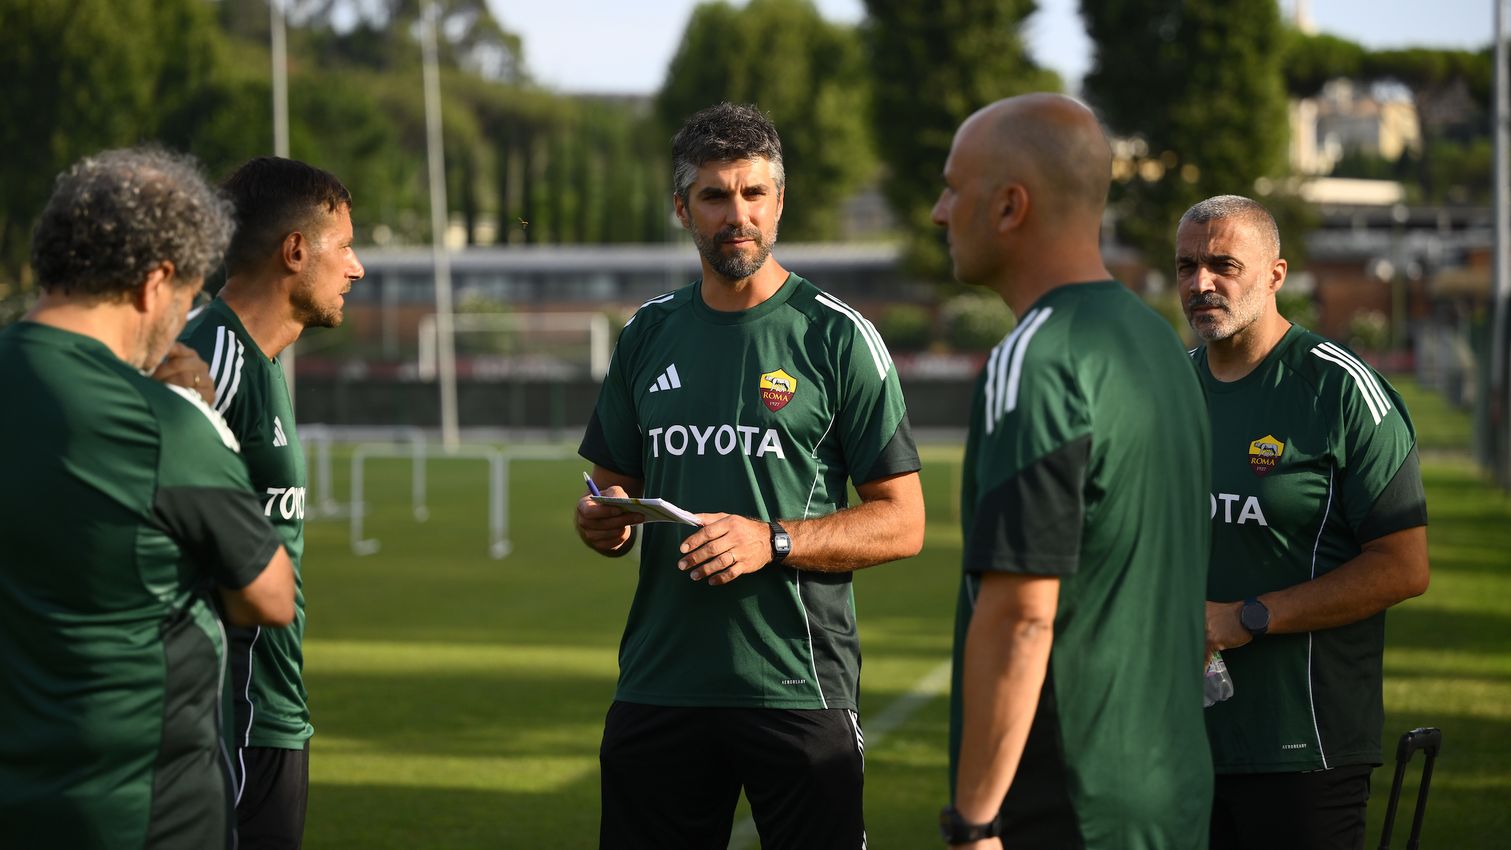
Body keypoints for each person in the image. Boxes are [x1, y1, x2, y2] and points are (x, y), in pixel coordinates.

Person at [574, 102, 925, 850]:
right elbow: (610, 495)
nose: (737, 215)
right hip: (659, 682)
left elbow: (903, 520)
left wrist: (772, 540)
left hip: (798, 685)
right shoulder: (646, 334)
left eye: (753, 193)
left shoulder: (837, 336)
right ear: (682, 208)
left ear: (779, 201)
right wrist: (600, 521)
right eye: (714, 195)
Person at [933, 94, 1213, 849]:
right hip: (1168, 790)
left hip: (1066, 800)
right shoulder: (1160, 346)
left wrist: (975, 820)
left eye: (953, 188)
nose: (938, 211)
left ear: (1009, 206)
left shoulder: (1037, 360)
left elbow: (1022, 613)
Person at [0, 147, 295, 849]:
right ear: (154, 282)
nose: (187, 316)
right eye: (188, 296)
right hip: (137, 808)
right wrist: (204, 416)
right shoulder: (164, 424)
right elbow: (269, 595)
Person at [1177, 194, 1430, 850]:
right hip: (1176, 743)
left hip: (1303, 746)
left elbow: (1403, 567)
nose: (1200, 283)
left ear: (1275, 274)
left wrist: (1246, 617)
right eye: (1185, 266)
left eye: (1223, 265)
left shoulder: (1340, 390)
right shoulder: (1167, 390)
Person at [179, 156, 365, 849]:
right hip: (230, 717)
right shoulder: (208, 364)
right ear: (295, 251)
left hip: (270, 713)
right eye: (344, 247)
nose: (357, 269)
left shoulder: (254, 362)